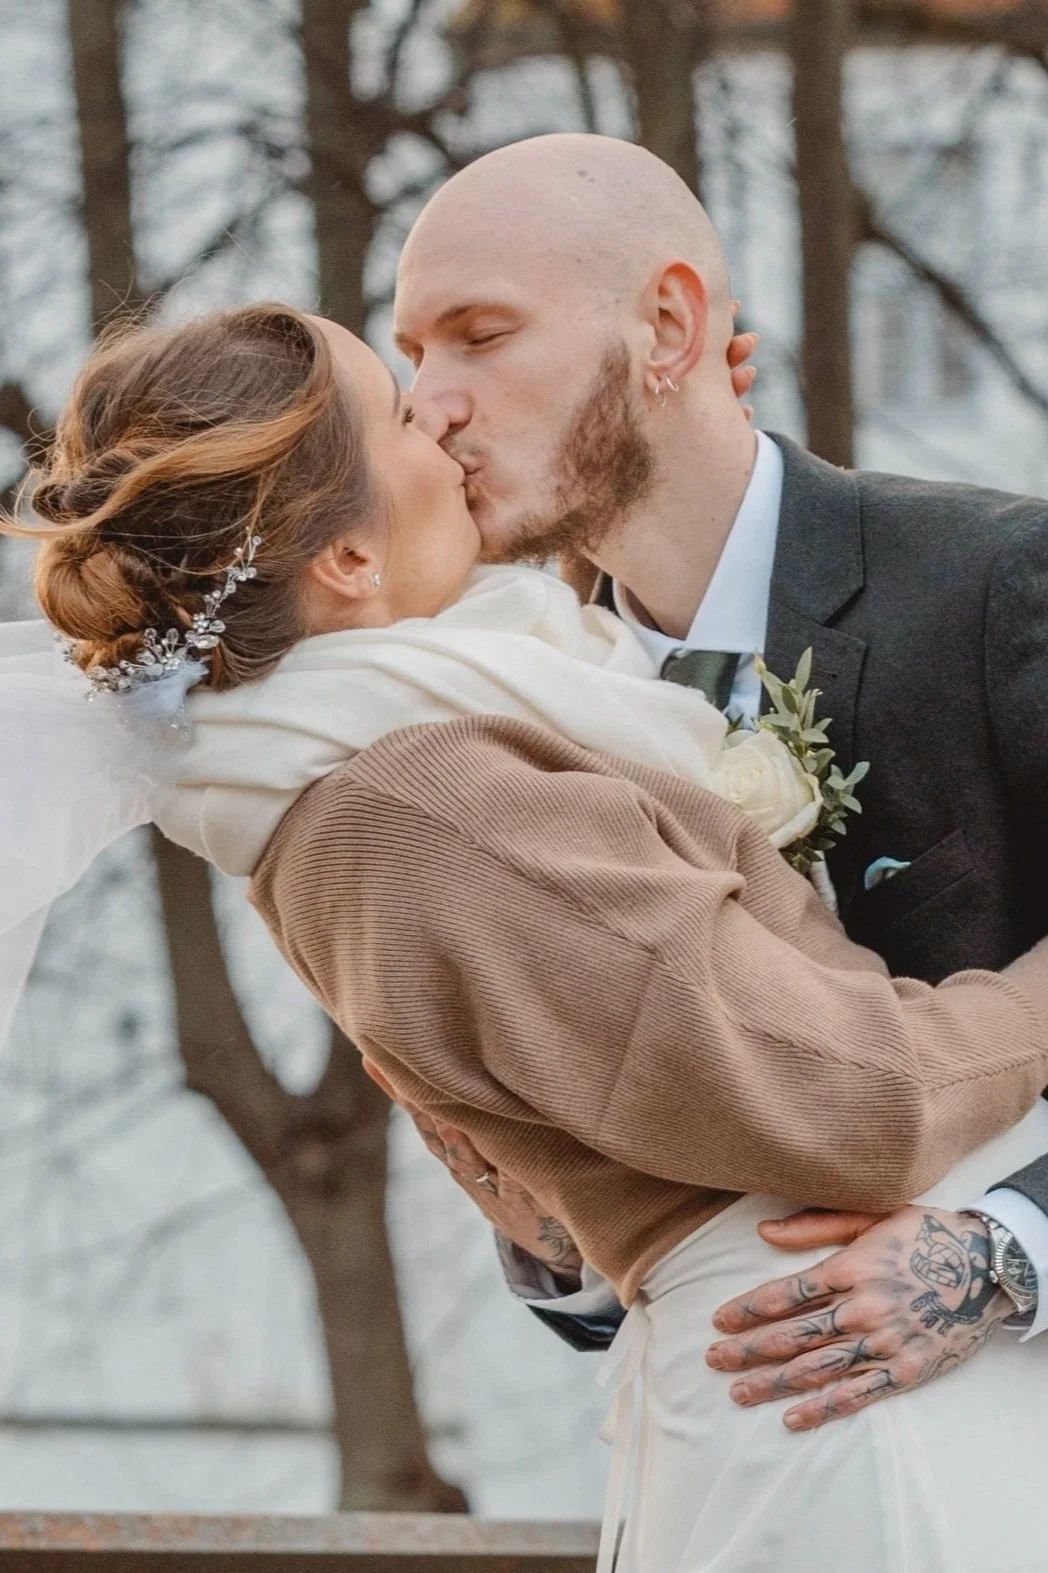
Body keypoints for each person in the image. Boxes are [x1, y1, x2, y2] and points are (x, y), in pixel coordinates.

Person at [7, 298, 1048, 1572]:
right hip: (828, 1385)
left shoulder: (348, 753)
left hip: (811, 1364)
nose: (438, 417)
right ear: (342, 561)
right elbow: (857, 1099)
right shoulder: (421, 796)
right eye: (397, 407)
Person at [387, 131, 1048, 1425]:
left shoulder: (996, 586)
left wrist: (1004, 1253)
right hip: (731, 1448)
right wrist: (540, 1222)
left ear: (671, 326)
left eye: (480, 334)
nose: (429, 405)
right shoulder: (517, 733)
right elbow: (629, 1231)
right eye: (413, 357)